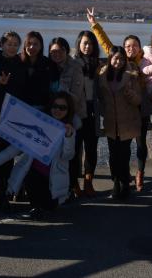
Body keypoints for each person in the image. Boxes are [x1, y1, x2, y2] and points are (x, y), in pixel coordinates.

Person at [87, 5, 152, 191]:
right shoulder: (119, 60)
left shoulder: (144, 59)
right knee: (120, 147)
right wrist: (95, 25)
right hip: (121, 109)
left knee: (140, 143)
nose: (131, 48)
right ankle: (122, 177)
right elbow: (106, 44)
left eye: (134, 46)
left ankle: (140, 173)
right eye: (127, 46)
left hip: (140, 107)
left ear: (140, 48)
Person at [0, 91, 77, 219]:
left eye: (62, 107)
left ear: (68, 110)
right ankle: (35, 204)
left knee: (49, 206)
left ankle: (54, 199)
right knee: (33, 187)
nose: (58, 110)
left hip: (53, 175)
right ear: (50, 106)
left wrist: (69, 137)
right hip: (34, 171)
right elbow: (17, 147)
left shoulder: (68, 130)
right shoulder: (40, 124)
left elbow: (68, 156)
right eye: (55, 106)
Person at [97, 46, 142, 200]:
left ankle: (124, 186)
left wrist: (130, 94)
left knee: (124, 155)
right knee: (113, 155)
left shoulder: (131, 76)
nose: (119, 61)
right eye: (116, 58)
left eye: (122, 59)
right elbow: (101, 98)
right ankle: (116, 183)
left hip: (127, 121)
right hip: (111, 121)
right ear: (110, 59)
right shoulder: (102, 76)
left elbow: (138, 100)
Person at [0, 31, 24, 211]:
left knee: (8, 156)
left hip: (14, 115)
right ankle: (0, 192)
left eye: (16, 44)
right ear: (2, 44)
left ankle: (5, 192)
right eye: (9, 43)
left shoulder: (19, 63)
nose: (12, 47)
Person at [48, 37, 86, 201]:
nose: (57, 54)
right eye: (53, 51)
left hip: (70, 117)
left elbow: (76, 97)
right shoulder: (47, 67)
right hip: (51, 117)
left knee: (70, 154)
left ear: (66, 51)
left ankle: (69, 187)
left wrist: (58, 97)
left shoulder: (75, 67)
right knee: (51, 155)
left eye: (60, 50)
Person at [72, 30, 101, 197]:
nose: (87, 46)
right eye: (84, 43)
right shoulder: (72, 63)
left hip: (93, 110)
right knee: (75, 148)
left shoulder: (97, 64)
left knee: (91, 148)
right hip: (76, 110)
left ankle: (88, 182)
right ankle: (74, 183)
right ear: (79, 44)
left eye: (90, 43)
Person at [19, 31, 52, 110]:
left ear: (41, 46)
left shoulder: (47, 63)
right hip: (19, 105)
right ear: (24, 45)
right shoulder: (17, 61)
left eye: (35, 44)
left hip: (40, 106)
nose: (31, 47)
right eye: (29, 43)